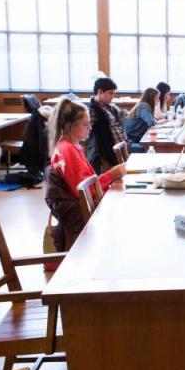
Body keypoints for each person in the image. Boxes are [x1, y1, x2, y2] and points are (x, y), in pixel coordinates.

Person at [45, 98, 126, 269]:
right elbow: (85, 191)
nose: (90, 127)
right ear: (70, 126)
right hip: (79, 212)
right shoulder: (68, 151)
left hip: (80, 207)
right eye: (85, 124)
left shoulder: (70, 147)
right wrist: (111, 175)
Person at [85, 77, 127, 173]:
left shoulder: (108, 107)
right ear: (100, 92)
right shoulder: (92, 110)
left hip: (117, 150)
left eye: (114, 93)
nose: (113, 96)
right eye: (110, 93)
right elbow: (86, 135)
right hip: (106, 154)